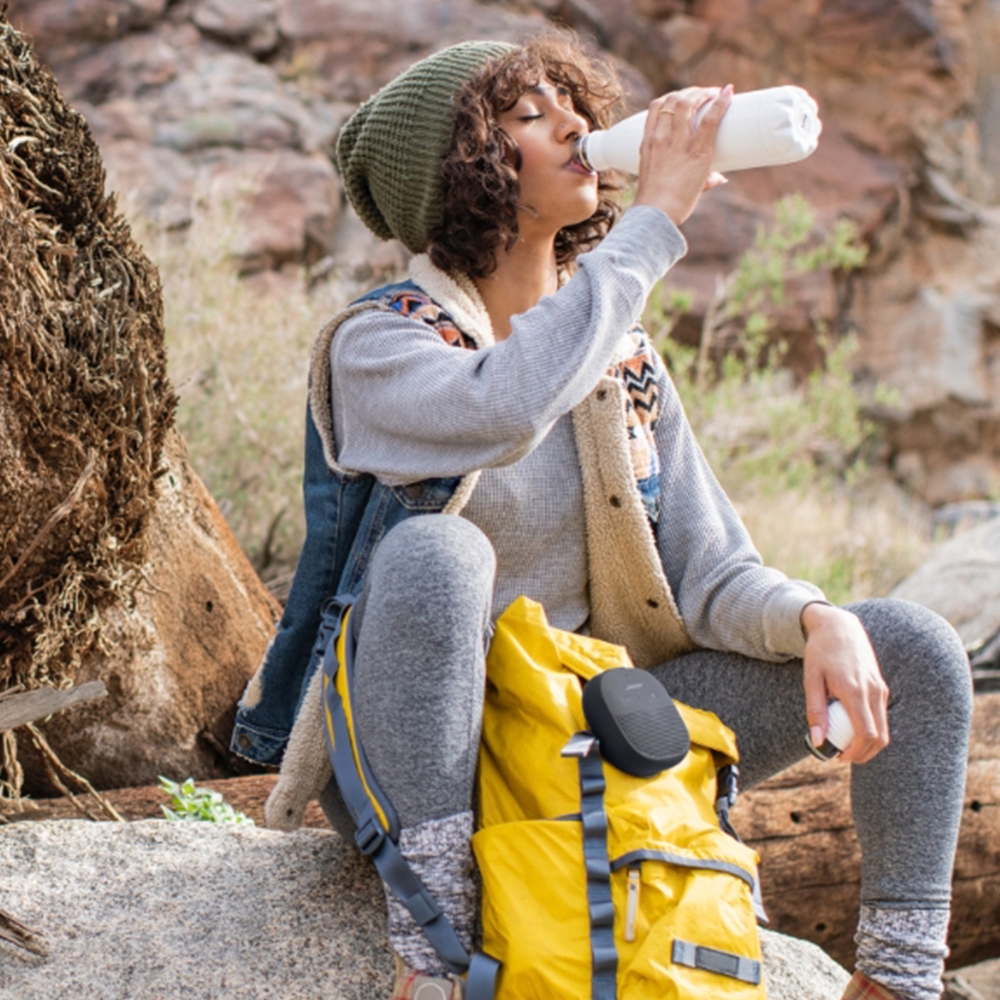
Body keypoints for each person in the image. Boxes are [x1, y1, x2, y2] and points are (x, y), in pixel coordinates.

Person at [231, 35, 972, 1000]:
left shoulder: (623, 358)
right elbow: (503, 405)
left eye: (572, 105)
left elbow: (712, 577)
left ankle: (899, 981)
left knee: (909, 646)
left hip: (590, 729)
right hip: (423, 750)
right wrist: (656, 223)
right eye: (531, 117)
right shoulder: (375, 344)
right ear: (463, 172)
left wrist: (814, 619)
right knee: (438, 553)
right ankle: (438, 942)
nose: (579, 126)